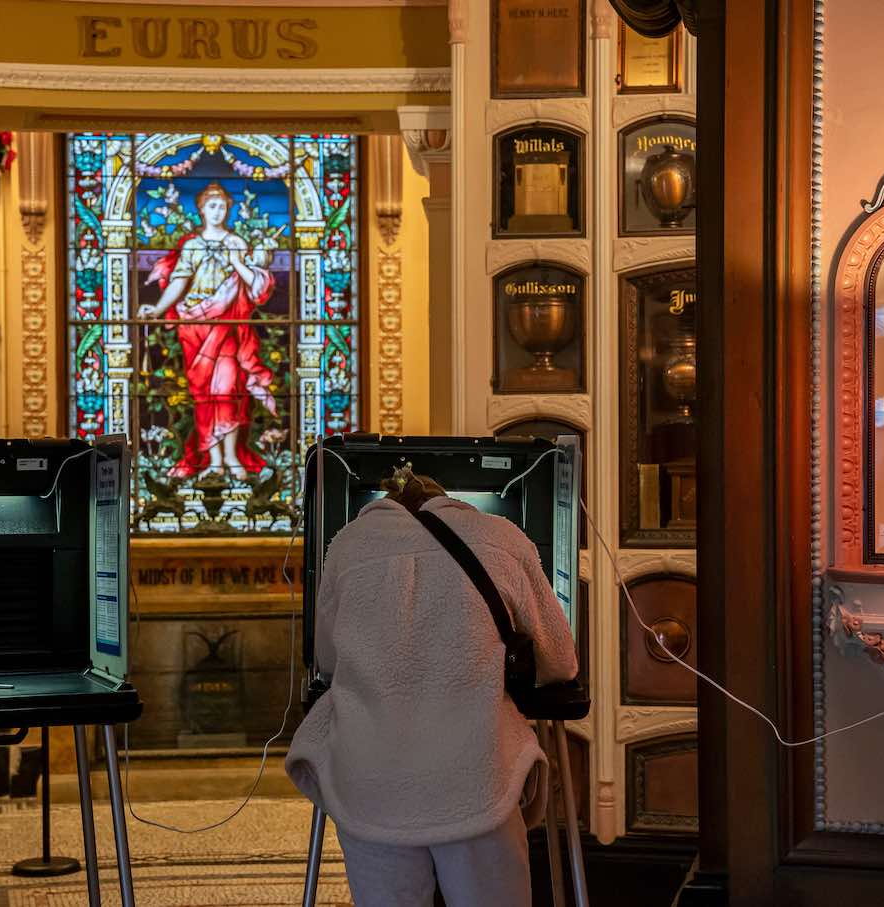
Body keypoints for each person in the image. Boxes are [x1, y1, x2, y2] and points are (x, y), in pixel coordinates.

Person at [286, 465, 579, 907]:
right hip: (477, 780)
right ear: (452, 501)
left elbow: (327, 662)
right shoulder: (501, 537)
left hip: (371, 785)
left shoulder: (346, 546)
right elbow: (560, 661)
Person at [138, 181, 277, 479]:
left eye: (222, 205)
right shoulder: (192, 245)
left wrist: (238, 261)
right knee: (203, 394)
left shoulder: (236, 242)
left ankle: (230, 456)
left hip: (228, 324)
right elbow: (179, 281)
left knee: (226, 390)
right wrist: (158, 309)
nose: (217, 211)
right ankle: (213, 460)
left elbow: (253, 285)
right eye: (211, 205)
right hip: (195, 324)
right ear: (201, 209)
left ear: (228, 208)